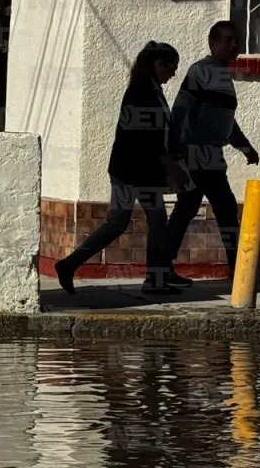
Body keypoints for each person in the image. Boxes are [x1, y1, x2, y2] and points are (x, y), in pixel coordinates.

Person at [55, 42, 189, 296]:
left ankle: (70, 265)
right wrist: (174, 168)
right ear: (158, 65)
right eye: (171, 67)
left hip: (138, 170)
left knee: (131, 222)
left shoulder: (152, 90)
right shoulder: (142, 92)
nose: (173, 73)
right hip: (133, 171)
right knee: (129, 222)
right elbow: (147, 139)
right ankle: (154, 279)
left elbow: (159, 133)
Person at [163, 20, 260, 281]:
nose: (234, 45)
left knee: (216, 209)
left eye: (236, 40)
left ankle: (237, 266)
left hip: (212, 158)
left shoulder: (222, 76)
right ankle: (164, 265)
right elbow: (182, 109)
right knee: (198, 209)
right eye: (228, 40)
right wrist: (175, 149)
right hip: (195, 156)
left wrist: (245, 147)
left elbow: (225, 120)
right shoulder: (201, 71)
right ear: (212, 43)